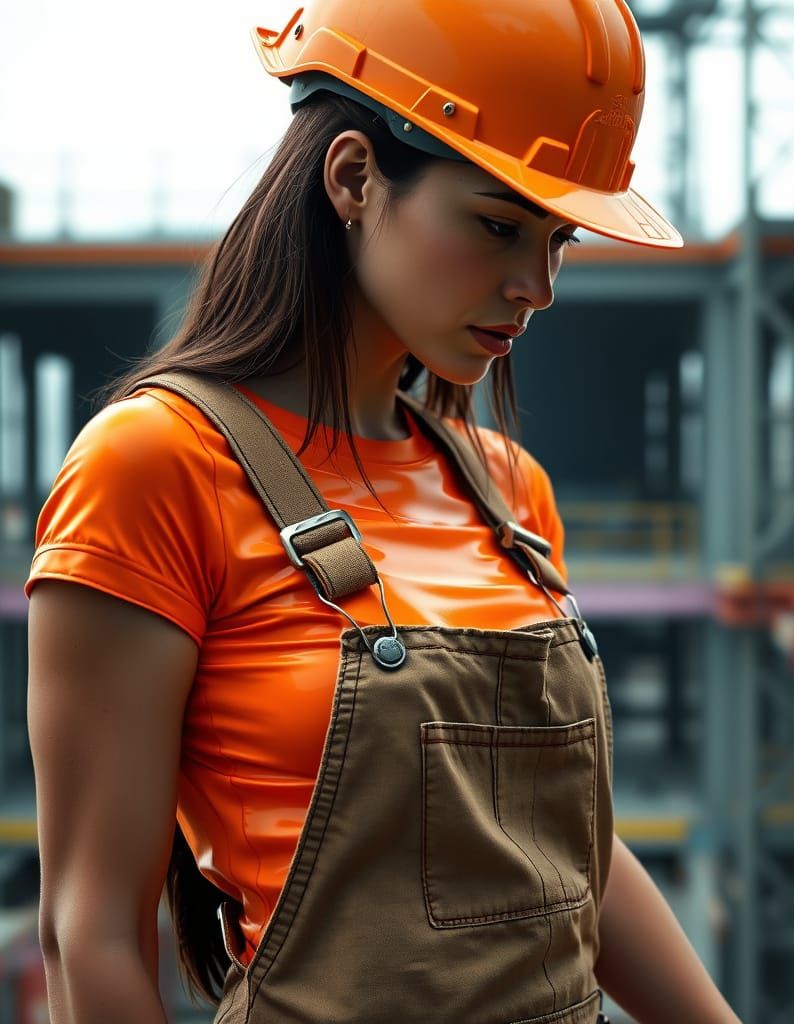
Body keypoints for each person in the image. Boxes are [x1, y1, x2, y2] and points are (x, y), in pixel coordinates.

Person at [25, 1, 741, 1021]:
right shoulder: (156, 467)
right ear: (354, 177)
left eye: (559, 240)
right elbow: (88, 935)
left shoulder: (508, 494)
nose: (535, 285)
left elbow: (571, 855)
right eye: (497, 224)